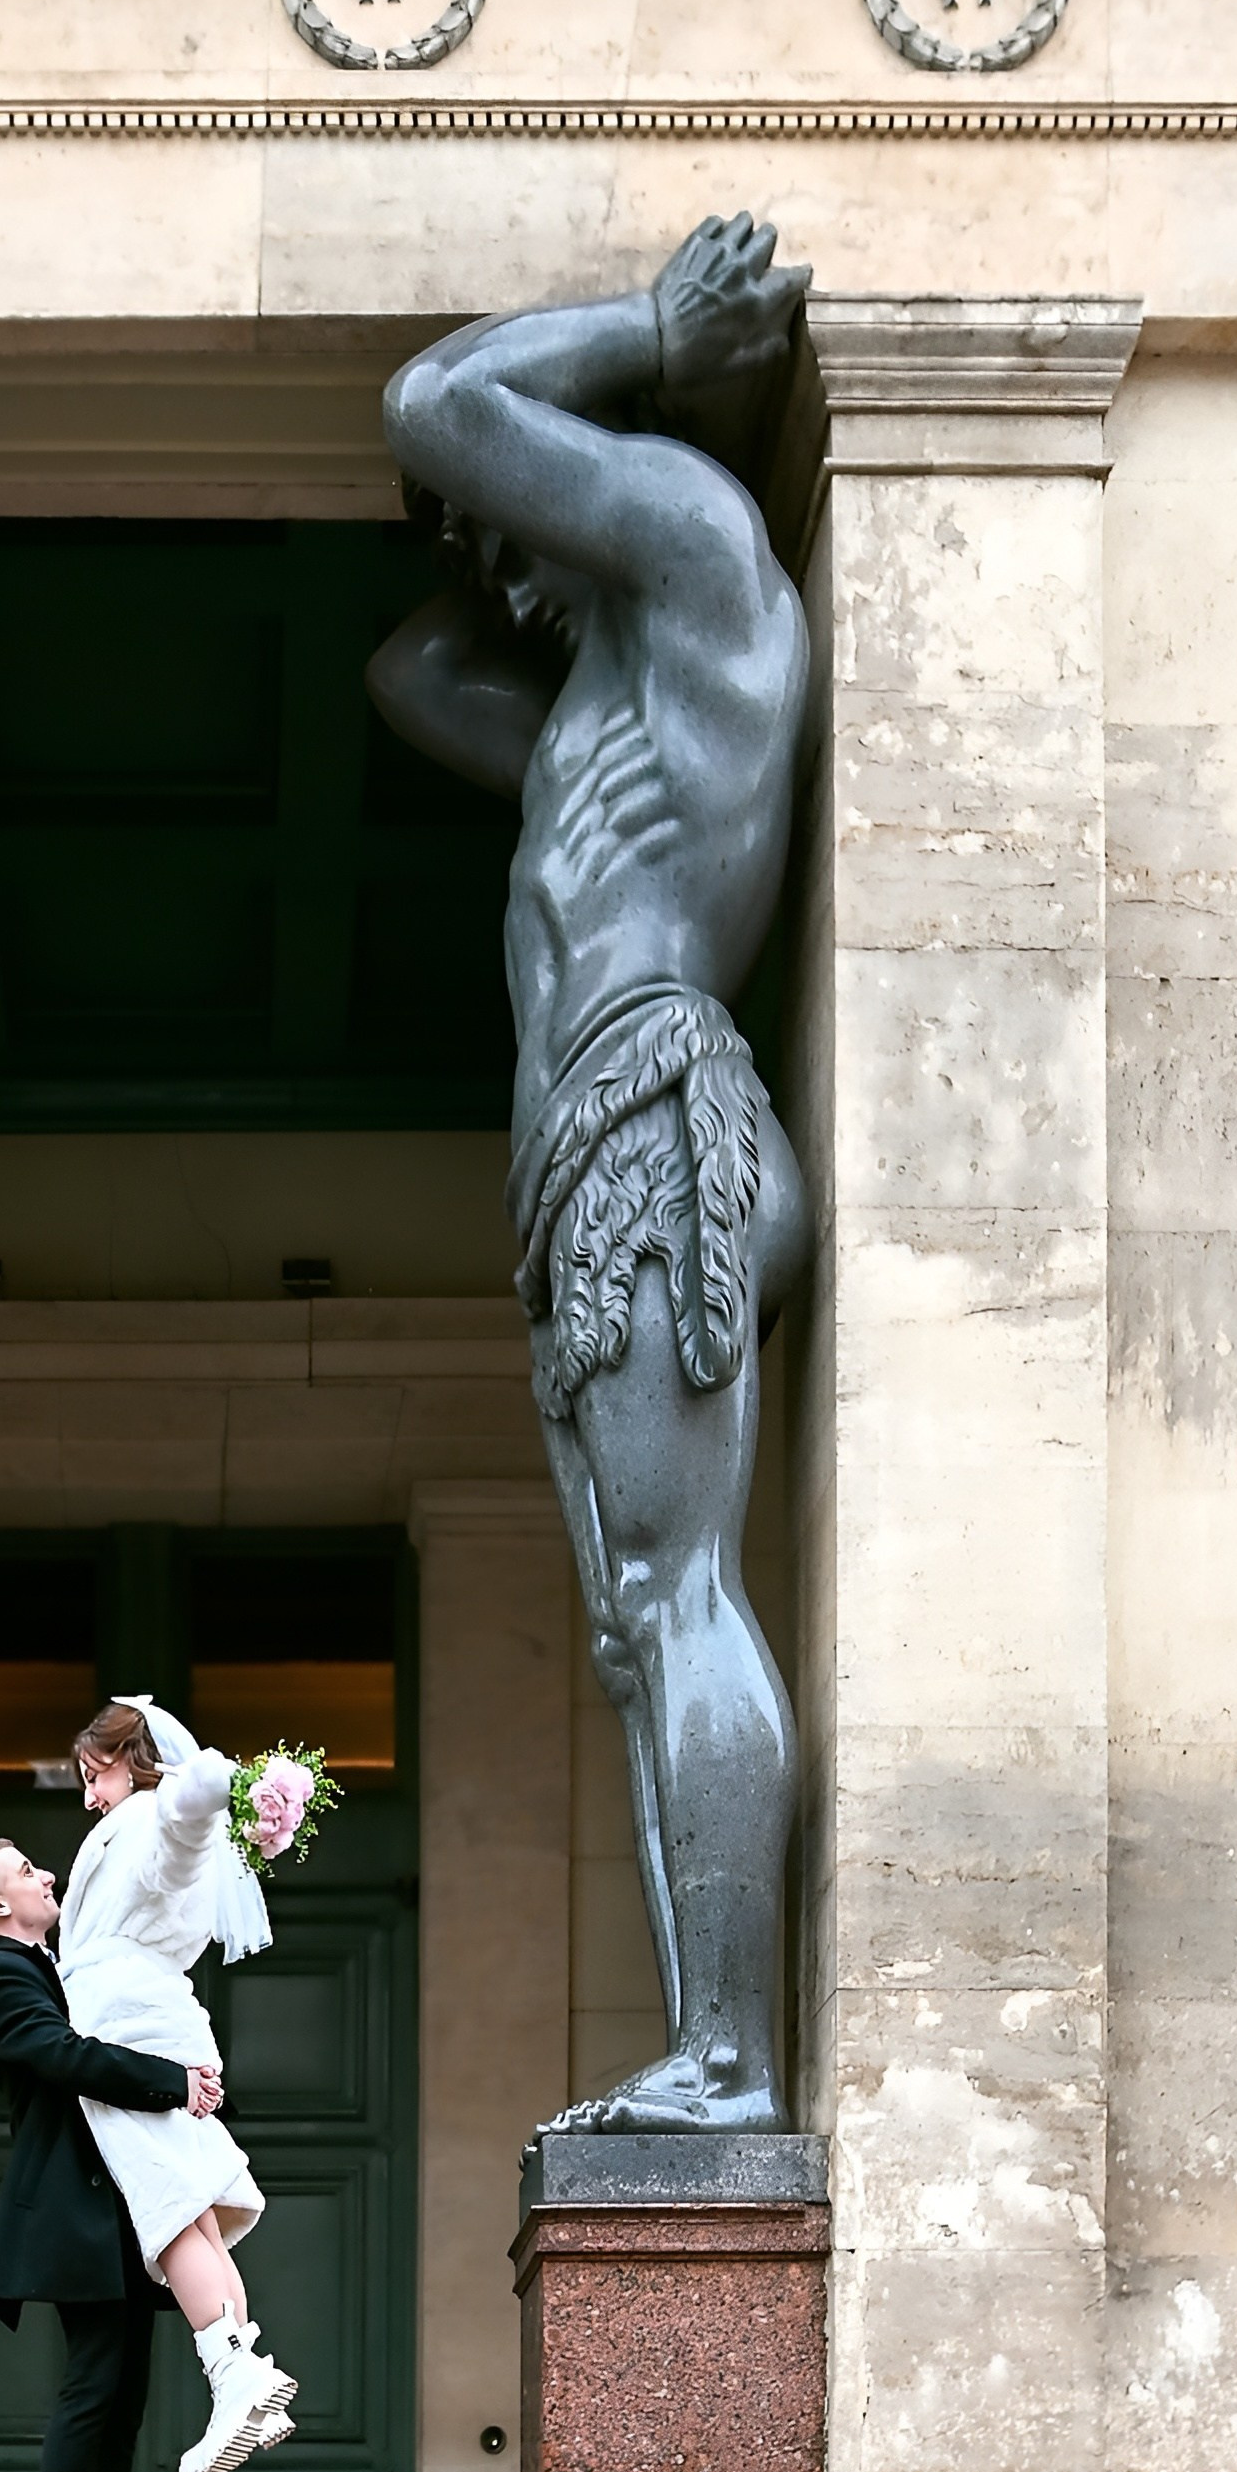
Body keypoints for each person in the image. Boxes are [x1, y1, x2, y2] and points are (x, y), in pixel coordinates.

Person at [370, 211, 812, 2133]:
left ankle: (732, 2055)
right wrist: (521, 564)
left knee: (680, 1589)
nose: (495, 528)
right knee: (649, 1617)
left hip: (652, 1103)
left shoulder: (708, 562)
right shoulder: (594, 704)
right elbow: (414, 668)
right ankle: (709, 2044)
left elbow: (441, 397)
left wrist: (640, 336)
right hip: (591, 1156)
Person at [0, 1834, 229, 2472]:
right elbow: (64, 2054)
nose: (48, 1875)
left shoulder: (64, 1963)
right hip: (73, 2205)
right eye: (25, 1871)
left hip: (116, 2202)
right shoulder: (3, 1973)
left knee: (123, 2392)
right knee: (93, 2384)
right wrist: (172, 2081)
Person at [55, 1697, 296, 2472]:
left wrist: (223, 1781)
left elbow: (185, 1824)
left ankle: (232, 2377)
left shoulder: (161, 1813)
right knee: (190, 2210)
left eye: (96, 1773)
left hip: (131, 2030)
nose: (90, 1795)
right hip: (152, 2023)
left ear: (134, 1756)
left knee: (166, 2215)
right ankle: (246, 2366)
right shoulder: (145, 1821)